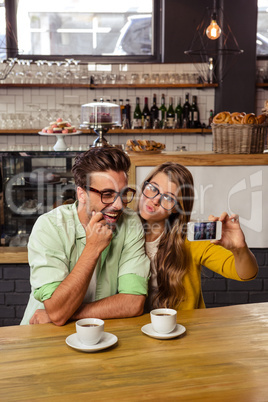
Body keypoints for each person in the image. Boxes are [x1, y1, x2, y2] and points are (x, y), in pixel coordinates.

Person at [21, 146, 150, 325]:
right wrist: (93, 247)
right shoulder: (48, 226)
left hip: (100, 334)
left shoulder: (130, 222)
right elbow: (58, 312)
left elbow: (134, 302)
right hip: (43, 334)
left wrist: (68, 314)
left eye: (123, 193)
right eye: (107, 194)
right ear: (81, 194)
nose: (119, 205)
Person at [138, 162, 258, 311]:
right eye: (153, 188)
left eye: (168, 198)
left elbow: (247, 273)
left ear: (177, 208)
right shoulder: (123, 229)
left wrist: (240, 248)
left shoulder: (192, 235)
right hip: (134, 327)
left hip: (183, 327)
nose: (155, 200)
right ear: (144, 186)